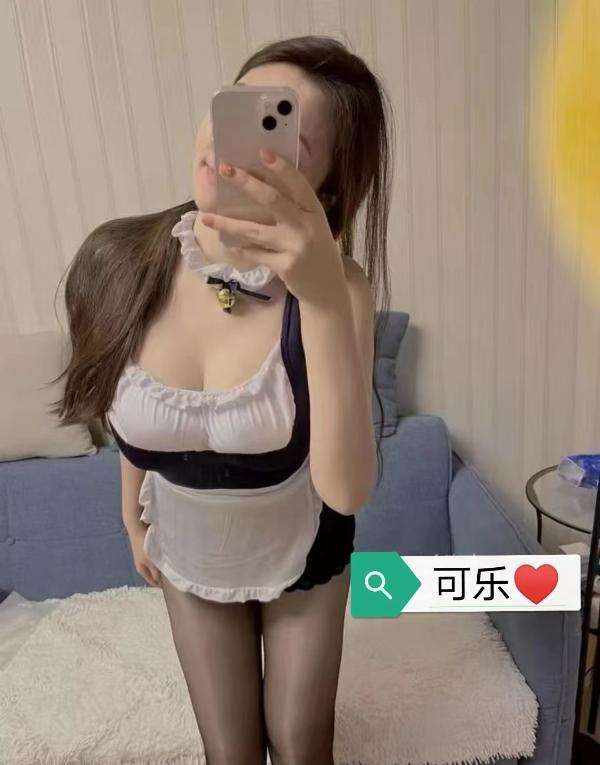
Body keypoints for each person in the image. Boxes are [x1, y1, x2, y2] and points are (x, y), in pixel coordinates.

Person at [52, 34, 394, 765]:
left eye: (282, 134)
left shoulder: (340, 290)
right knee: (228, 751)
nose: (231, 145)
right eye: (235, 108)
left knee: (301, 745)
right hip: (189, 547)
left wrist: (323, 298)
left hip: (304, 546)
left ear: (327, 187)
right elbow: (133, 419)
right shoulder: (116, 264)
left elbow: (346, 488)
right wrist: (131, 518)